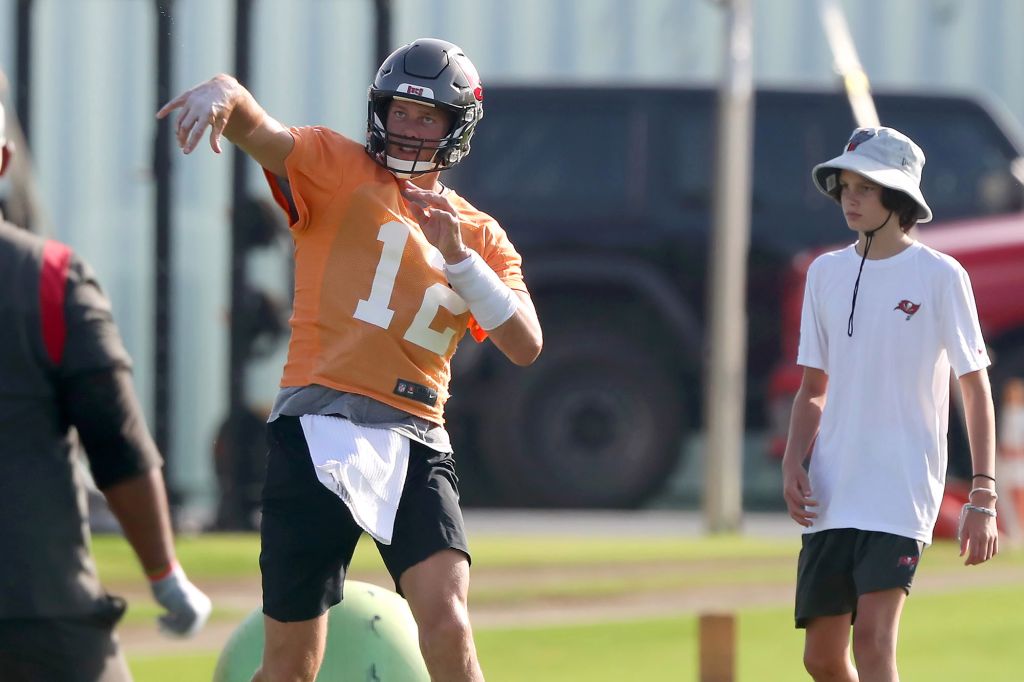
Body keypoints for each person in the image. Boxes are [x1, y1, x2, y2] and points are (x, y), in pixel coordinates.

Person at [158, 37, 542, 682]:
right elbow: (261, 130)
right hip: (316, 427)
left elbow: (525, 343)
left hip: (416, 437)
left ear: (457, 128)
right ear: (379, 111)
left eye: (428, 117)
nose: (410, 128)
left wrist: (458, 257)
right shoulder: (336, 165)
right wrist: (225, 88)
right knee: (290, 667)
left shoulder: (480, 234)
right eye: (400, 111)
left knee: (448, 622)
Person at [0, 101, 211, 681]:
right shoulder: (48, 279)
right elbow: (117, 444)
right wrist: (165, 577)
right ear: (4, 160)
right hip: (33, 612)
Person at [781, 126, 999, 681]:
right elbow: (813, 387)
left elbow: (975, 387)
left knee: (875, 641)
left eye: (866, 187)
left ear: (898, 198)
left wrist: (982, 495)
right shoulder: (824, 274)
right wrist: (792, 462)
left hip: (902, 489)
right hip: (832, 490)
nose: (850, 198)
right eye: (844, 186)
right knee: (823, 658)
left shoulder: (941, 276)